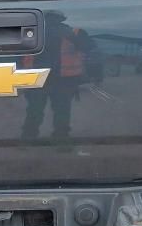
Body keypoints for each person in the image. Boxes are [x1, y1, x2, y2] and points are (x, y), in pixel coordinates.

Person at [21, 11, 92, 139]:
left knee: (37, 111)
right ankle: (60, 139)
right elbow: (90, 48)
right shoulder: (75, 32)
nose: (50, 23)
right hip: (55, 80)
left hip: (45, 80)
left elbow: (19, 57)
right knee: (59, 111)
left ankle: (30, 138)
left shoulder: (32, 33)